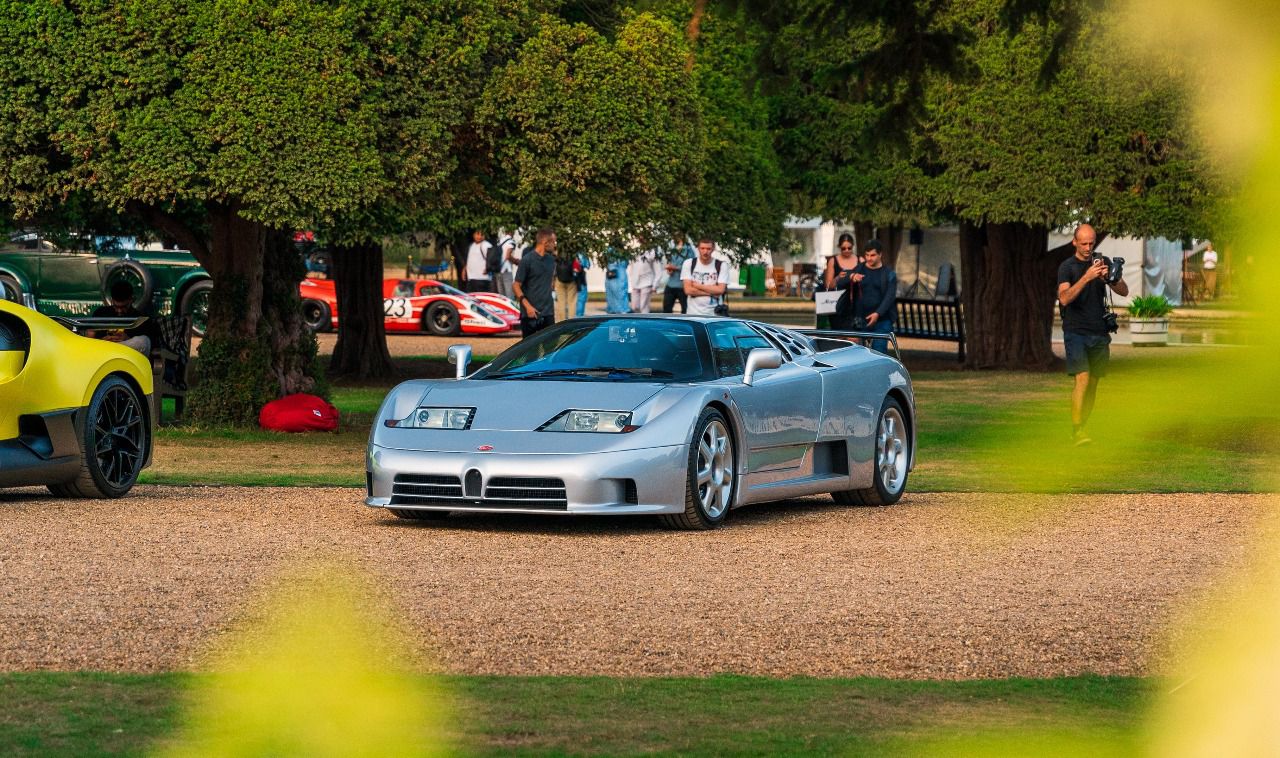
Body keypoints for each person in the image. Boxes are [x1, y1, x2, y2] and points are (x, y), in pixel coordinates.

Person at [1057, 223, 1129, 446]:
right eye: (1084, 243)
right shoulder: (1067, 267)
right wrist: (1087, 277)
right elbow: (1065, 298)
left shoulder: (1102, 262)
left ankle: (1080, 428)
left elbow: (1124, 291)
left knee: (1093, 383)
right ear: (1075, 243)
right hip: (1076, 331)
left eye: (1092, 243)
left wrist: (1110, 278)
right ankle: (1077, 430)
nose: (1088, 248)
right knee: (1083, 378)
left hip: (1099, 332)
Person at [846, 239, 897, 354]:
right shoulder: (859, 269)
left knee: (879, 351)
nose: (869, 258)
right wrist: (852, 276)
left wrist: (878, 313)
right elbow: (842, 280)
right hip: (860, 319)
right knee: (859, 354)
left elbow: (890, 297)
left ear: (880, 254)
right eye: (867, 255)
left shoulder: (888, 273)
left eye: (873, 255)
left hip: (882, 320)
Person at [91, 280, 156, 356]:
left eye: (123, 307)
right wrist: (103, 341)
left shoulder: (141, 318)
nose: (119, 311)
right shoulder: (101, 313)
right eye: (116, 306)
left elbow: (147, 344)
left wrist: (128, 339)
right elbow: (90, 339)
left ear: (132, 300)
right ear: (112, 300)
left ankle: (114, 348)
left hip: (126, 354)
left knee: (143, 341)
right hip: (104, 352)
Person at [513, 228, 558, 337]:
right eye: (554, 241)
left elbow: (550, 281)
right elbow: (516, 285)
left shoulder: (551, 260)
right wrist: (528, 307)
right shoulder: (527, 260)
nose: (555, 244)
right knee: (530, 352)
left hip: (548, 313)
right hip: (530, 314)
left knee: (550, 349)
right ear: (545, 242)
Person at [681, 238, 730, 316]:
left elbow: (720, 290)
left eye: (708, 249)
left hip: (715, 313)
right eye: (702, 248)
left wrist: (698, 285)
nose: (705, 252)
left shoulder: (721, 265)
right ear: (698, 249)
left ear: (713, 249)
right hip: (693, 313)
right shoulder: (689, 263)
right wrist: (711, 293)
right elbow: (688, 290)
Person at [823, 233, 861, 331]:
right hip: (838, 303)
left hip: (855, 304)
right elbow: (828, 285)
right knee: (839, 335)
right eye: (843, 248)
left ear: (853, 246)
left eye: (849, 248)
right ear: (839, 247)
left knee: (855, 335)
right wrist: (838, 277)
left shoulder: (860, 260)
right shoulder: (833, 261)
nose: (847, 250)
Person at [662, 233, 695, 313]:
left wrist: (676, 268)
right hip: (671, 283)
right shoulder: (672, 248)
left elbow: (691, 266)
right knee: (666, 308)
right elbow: (669, 261)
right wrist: (669, 269)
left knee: (685, 309)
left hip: (682, 285)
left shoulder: (688, 250)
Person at [627, 246, 662, 313]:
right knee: (634, 306)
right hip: (635, 282)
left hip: (647, 282)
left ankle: (644, 321)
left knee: (644, 306)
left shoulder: (652, 252)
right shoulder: (634, 250)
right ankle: (636, 321)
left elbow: (658, 270)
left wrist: (655, 285)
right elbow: (631, 267)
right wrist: (630, 281)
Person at [463, 229, 493, 293]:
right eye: (477, 234)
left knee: (482, 299)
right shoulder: (471, 245)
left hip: (482, 279)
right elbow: (470, 259)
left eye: (482, 235)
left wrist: (488, 268)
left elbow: (492, 259)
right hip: (471, 278)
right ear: (473, 235)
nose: (479, 237)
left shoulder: (486, 245)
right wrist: (464, 270)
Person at [604, 248, 630, 313]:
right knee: (619, 295)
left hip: (613, 276)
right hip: (617, 276)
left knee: (615, 295)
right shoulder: (622, 251)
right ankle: (621, 311)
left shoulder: (609, 250)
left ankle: (618, 311)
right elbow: (626, 263)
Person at [494, 232, 519, 299]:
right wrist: (516, 261)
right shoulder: (511, 241)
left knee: (501, 297)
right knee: (509, 296)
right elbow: (508, 256)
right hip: (506, 270)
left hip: (498, 270)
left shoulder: (500, 241)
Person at [574, 253, 591, 317]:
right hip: (580, 278)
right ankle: (579, 315)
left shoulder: (571, 253)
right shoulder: (582, 254)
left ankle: (577, 314)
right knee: (581, 298)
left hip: (574, 278)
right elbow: (588, 265)